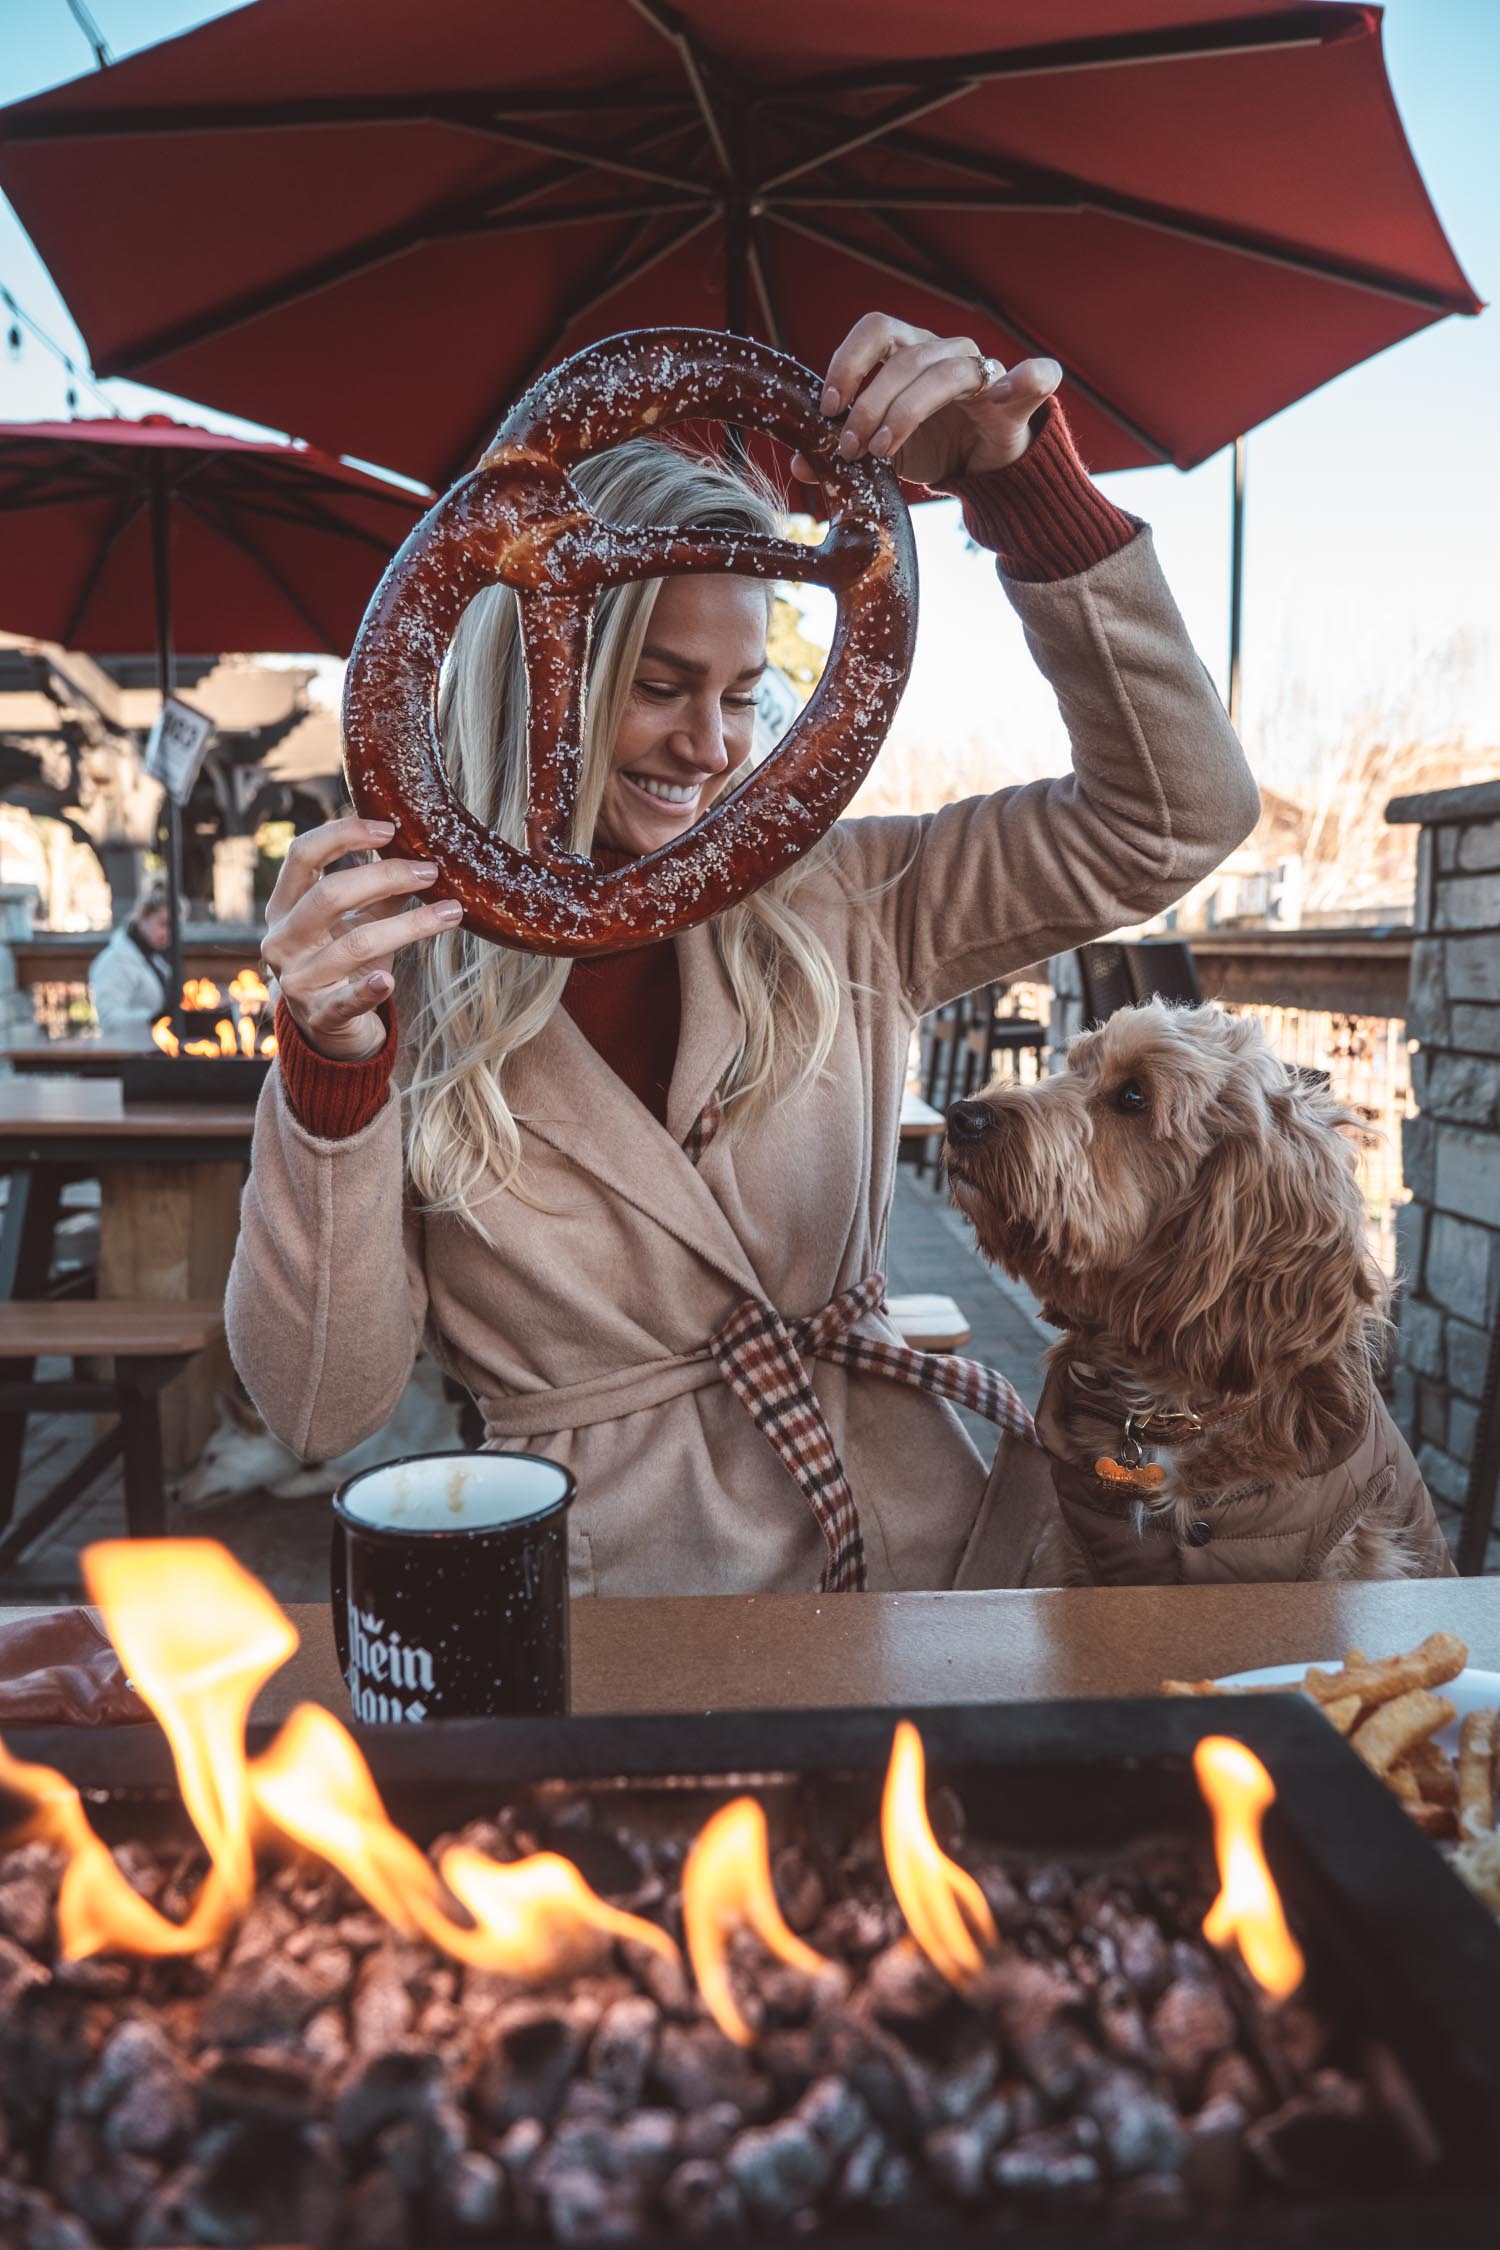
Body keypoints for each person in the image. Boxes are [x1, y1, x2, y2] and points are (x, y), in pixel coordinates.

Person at [227, 311, 1260, 1597]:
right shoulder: (402, 979)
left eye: (744, 691)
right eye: (660, 687)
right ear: (548, 657)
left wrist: (1022, 491)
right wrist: (329, 1076)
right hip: (619, 1605)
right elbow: (321, 1405)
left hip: (927, 1564)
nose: (712, 748)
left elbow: (1176, 817)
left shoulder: (845, 893)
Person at [88, 884, 174, 1041]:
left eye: (174, 926)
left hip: (151, 1049)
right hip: (125, 1054)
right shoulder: (115, 961)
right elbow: (109, 1019)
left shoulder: (155, 957)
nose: (169, 933)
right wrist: (154, 1018)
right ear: (143, 917)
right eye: (163, 924)